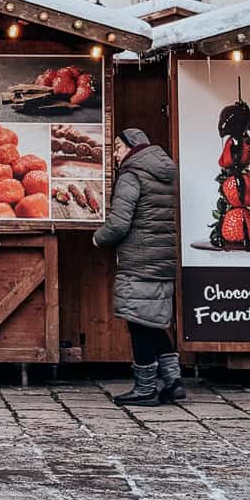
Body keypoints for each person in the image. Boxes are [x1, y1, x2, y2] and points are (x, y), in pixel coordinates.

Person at [93, 127, 184, 406]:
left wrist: (99, 238)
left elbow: (120, 223)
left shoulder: (132, 175)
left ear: (131, 147)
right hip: (161, 259)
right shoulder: (163, 172)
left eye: (118, 148)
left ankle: (145, 389)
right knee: (153, 322)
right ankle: (173, 381)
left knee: (139, 324)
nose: (116, 154)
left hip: (139, 260)